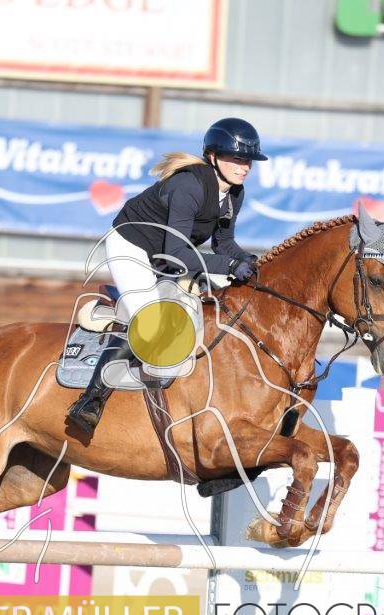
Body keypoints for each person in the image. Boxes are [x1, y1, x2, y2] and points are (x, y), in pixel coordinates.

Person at [67, 117, 268, 436]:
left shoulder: (234, 193)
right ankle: (89, 401)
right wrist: (229, 267)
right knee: (150, 319)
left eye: (248, 161)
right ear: (213, 157)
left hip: (166, 253)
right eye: (236, 158)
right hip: (132, 246)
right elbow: (178, 252)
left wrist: (248, 261)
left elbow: (223, 244)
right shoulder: (189, 186)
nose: (244, 167)